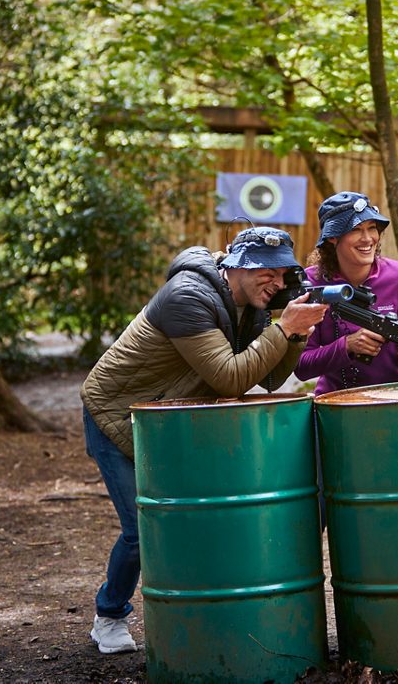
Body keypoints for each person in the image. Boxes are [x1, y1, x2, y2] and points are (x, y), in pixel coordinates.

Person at [78, 227, 328, 654]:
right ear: (236, 265)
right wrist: (283, 330)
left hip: (167, 420)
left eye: (283, 275)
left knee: (189, 519)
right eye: (266, 272)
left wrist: (295, 334)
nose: (276, 282)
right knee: (141, 530)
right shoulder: (187, 298)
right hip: (114, 413)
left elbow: (266, 378)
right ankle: (109, 616)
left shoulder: (248, 304)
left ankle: (200, 613)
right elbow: (228, 376)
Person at [294, 191, 398, 395]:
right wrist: (346, 346)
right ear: (332, 237)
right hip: (335, 401)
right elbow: (302, 367)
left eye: (372, 228)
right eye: (356, 230)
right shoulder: (311, 282)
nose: (367, 239)